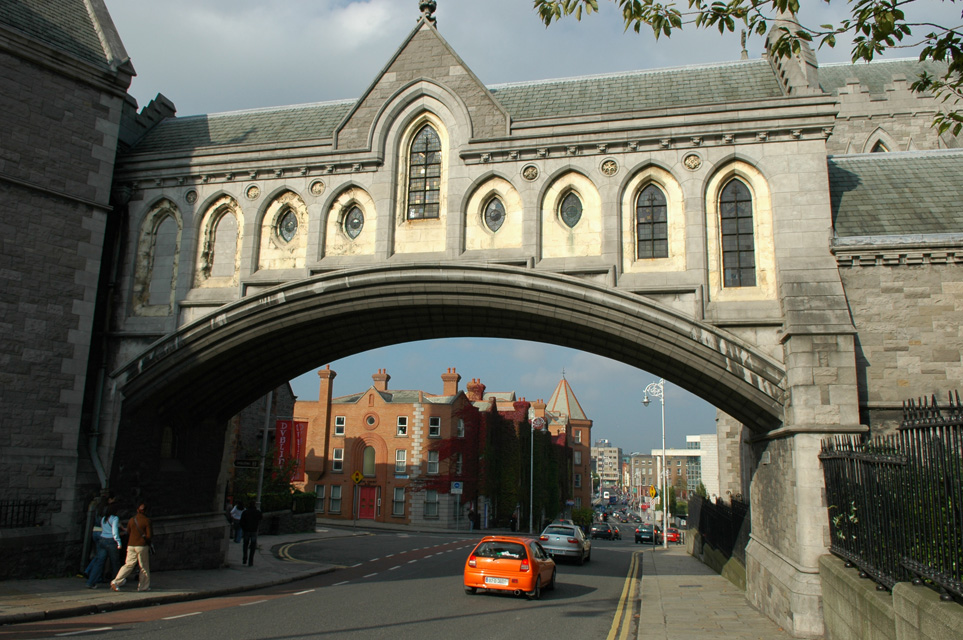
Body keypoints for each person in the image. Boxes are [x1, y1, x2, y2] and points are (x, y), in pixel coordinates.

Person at [111, 502, 151, 592]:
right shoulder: (146, 520)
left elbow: (128, 531)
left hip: (131, 545)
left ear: (137, 510)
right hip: (141, 545)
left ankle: (116, 581)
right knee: (143, 567)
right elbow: (149, 536)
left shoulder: (132, 520)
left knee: (128, 565)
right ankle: (143, 587)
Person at [85, 501, 123, 589]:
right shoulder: (114, 519)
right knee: (115, 562)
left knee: (99, 562)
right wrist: (118, 542)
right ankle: (117, 582)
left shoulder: (103, 519)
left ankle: (90, 582)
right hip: (111, 541)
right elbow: (115, 531)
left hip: (102, 539)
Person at [239, 501, 263, 566]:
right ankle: (251, 561)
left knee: (245, 545)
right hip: (254, 531)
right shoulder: (257, 512)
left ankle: (245, 557)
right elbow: (261, 518)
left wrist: (244, 528)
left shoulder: (245, 512)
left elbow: (241, 522)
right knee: (253, 547)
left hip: (246, 530)